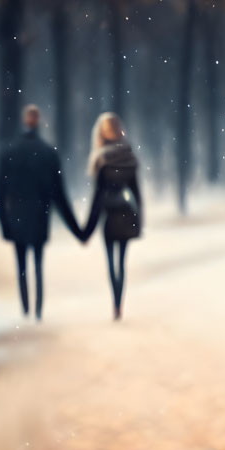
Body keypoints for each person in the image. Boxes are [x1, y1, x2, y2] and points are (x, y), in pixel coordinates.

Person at [0, 104, 82, 320]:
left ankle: (25, 310)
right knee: (38, 264)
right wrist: (78, 231)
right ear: (38, 121)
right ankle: (38, 311)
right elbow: (59, 196)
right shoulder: (48, 153)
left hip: (16, 219)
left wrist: (4, 224)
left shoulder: (8, 152)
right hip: (39, 218)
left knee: (21, 265)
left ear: (24, 121)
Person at [80, 112, 142, 320]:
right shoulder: (129, 157)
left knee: (110, 262)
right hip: (126, 216)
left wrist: (87, 230)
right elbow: (137, 194)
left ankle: (114, 303)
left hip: (109, 218)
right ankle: (119, 304)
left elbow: (97, 198)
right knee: (122, 262)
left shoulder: (101, 159)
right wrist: (138, 221)